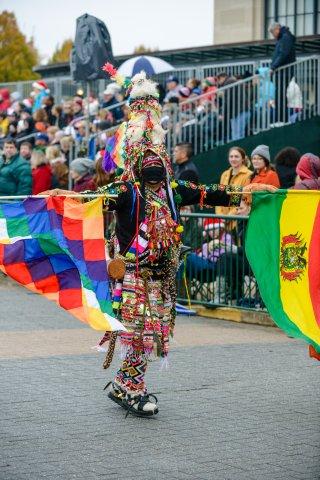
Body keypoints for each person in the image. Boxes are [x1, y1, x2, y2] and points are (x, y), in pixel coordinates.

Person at [45, 69, 275, 417]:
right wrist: (60, 197)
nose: (155, 178)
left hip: (162, 275)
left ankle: (126, 384)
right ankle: (131, 388)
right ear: (137, 165)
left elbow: (209, 192)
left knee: (152, 334)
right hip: (134, 273)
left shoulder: (172, 190)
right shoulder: (125, 190)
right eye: (149, 171)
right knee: (137, 331)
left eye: (159, 171)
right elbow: (90, 200)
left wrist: (248, 189)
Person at [269, 22, 296, 122]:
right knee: (279, 95)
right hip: (283, 71)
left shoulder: (285, 37)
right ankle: (281, 119)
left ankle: (282, 120)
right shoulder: (284, 37)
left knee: (280, 96)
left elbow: (282, 54)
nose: (273, 36)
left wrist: (273, 67)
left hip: (284, 71)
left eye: (273, 33)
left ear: (277, 29)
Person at [216, 147, 252, 217]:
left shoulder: (248, 175)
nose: (233, 159)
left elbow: (244, 199)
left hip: (238, 220)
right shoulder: (224, 174)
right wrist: (219, 215)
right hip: (222, 221)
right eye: (231, 156)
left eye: (236, 156)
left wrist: (229, 216)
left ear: (243, 159)